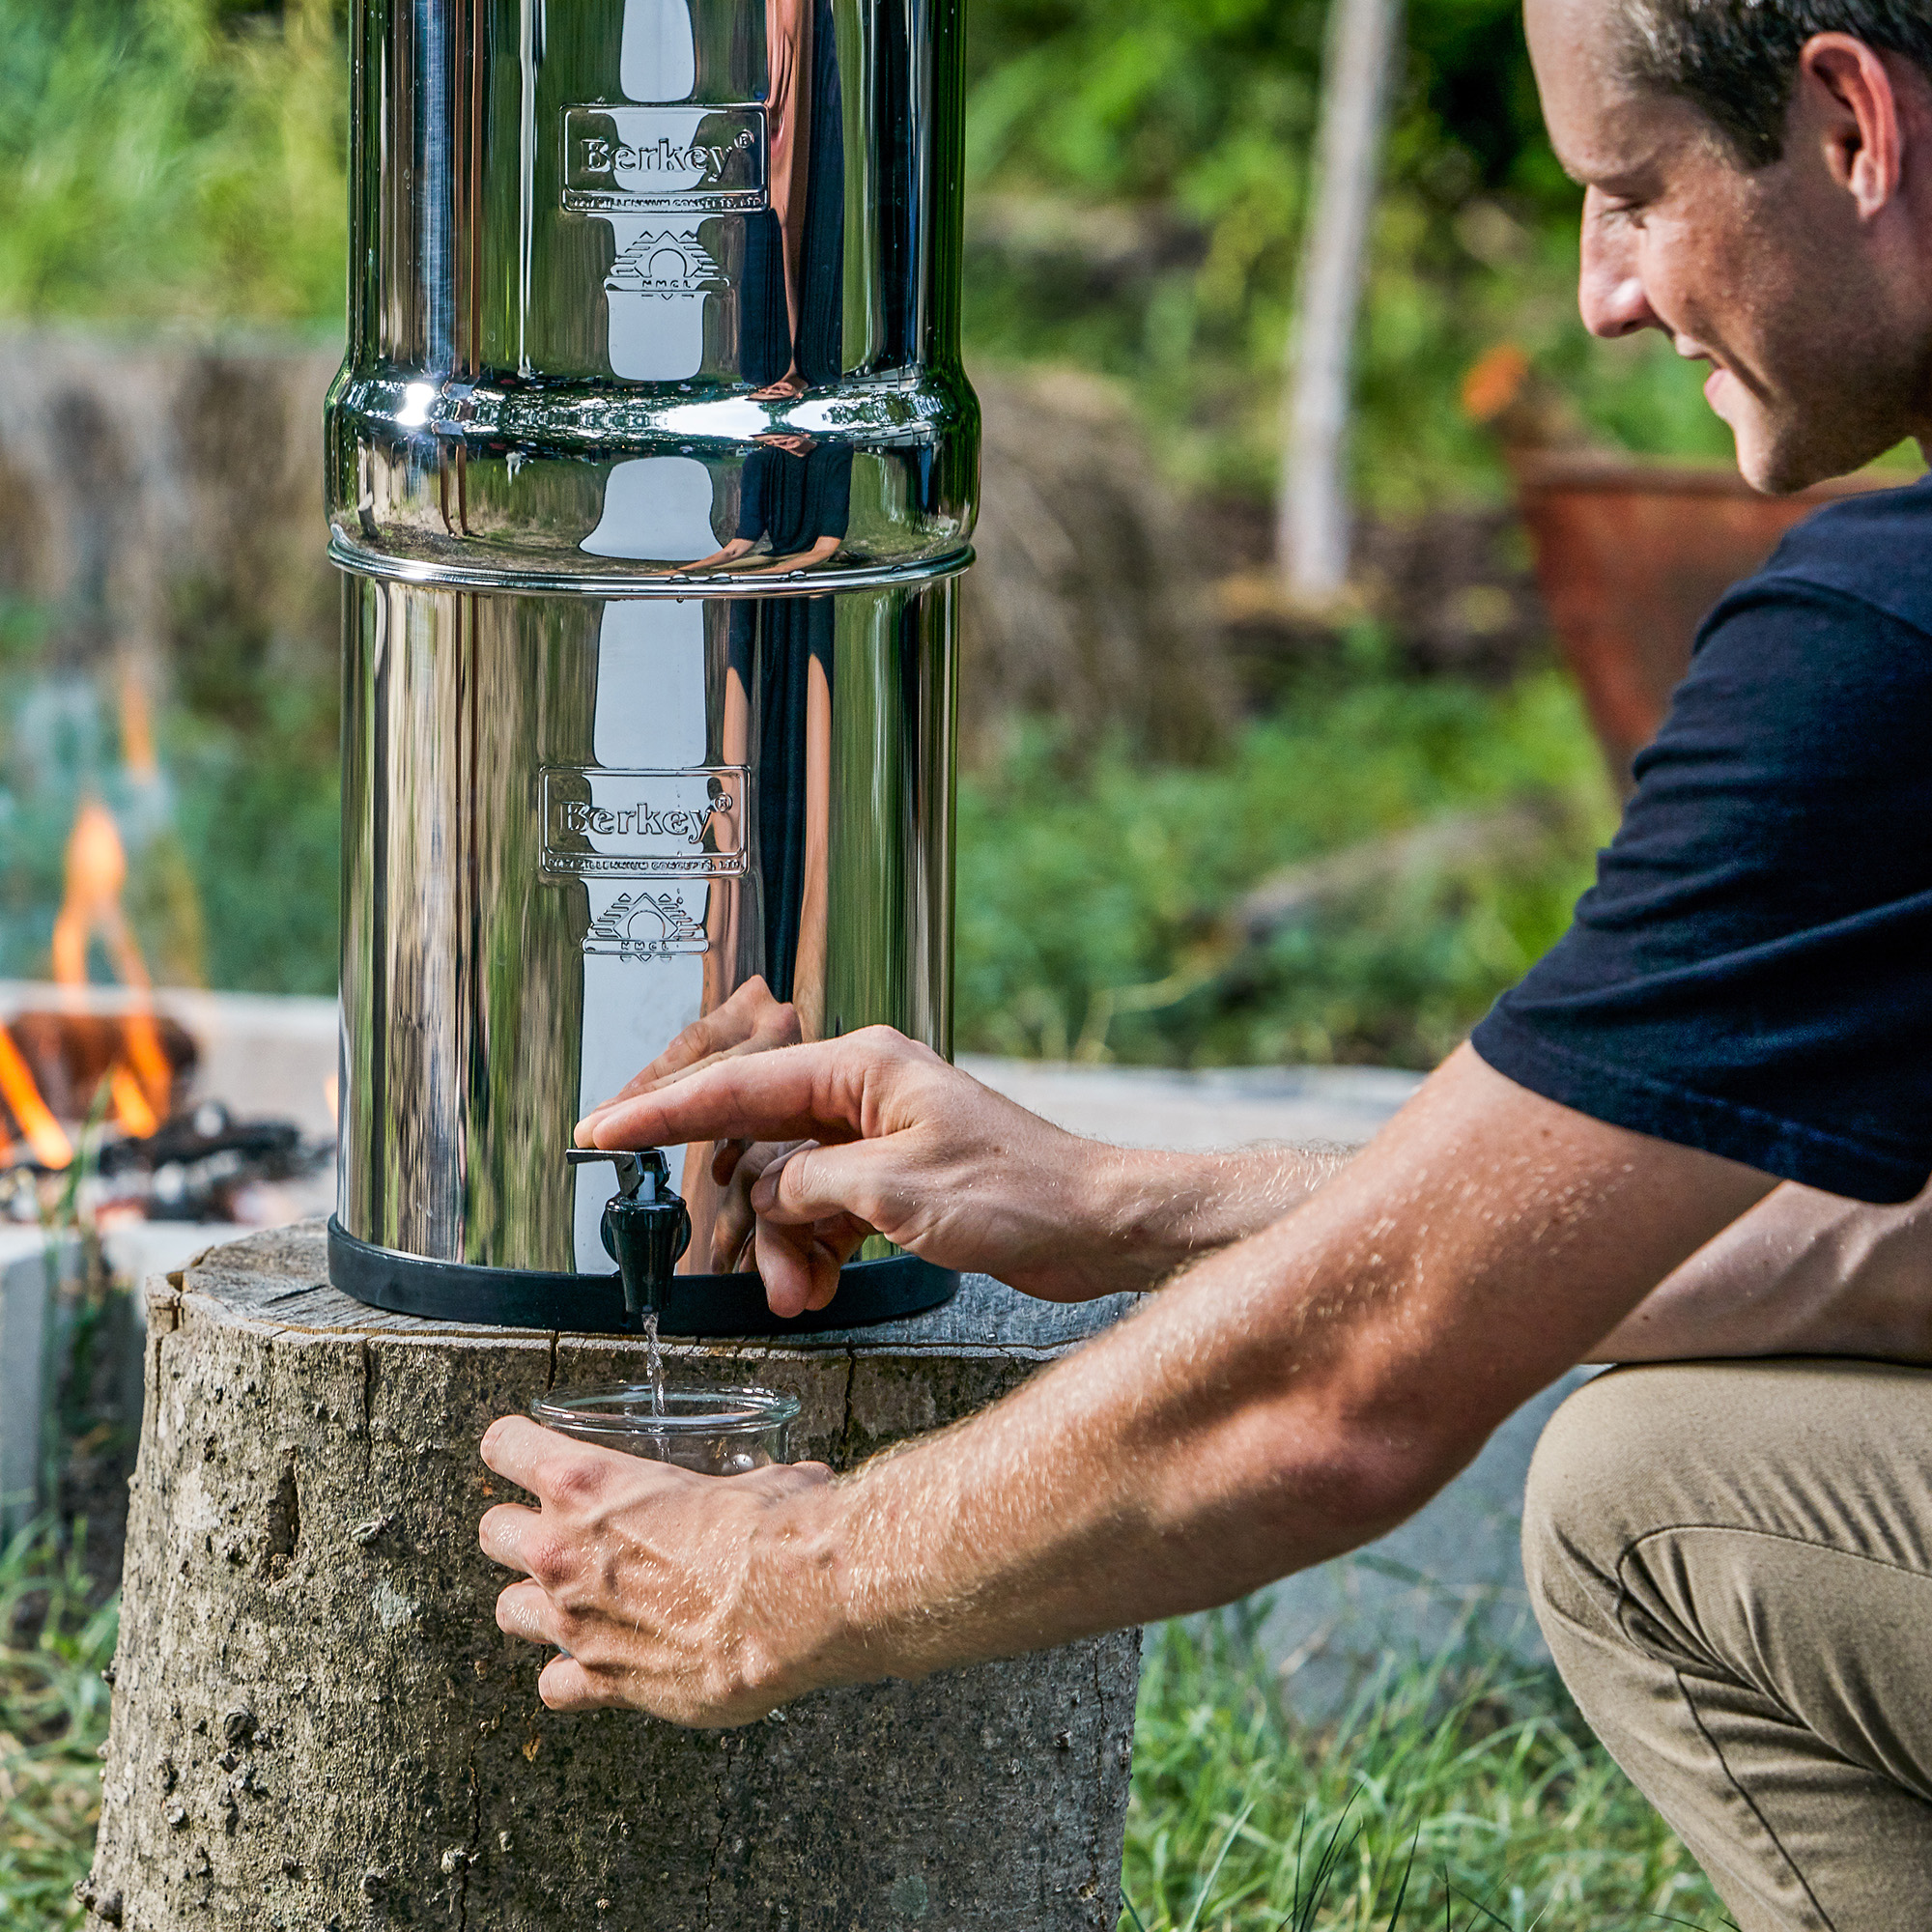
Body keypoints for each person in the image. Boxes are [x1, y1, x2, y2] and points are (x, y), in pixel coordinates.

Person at [478, 4, 1932, 1922]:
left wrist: (787, 1581)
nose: (1601, 295)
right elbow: (1883, 1244)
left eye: (1630, 192)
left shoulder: (1886, 644)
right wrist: (1121, 1206)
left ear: (1848, 124)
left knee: (1647, 1502)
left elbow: (1343, 1390)